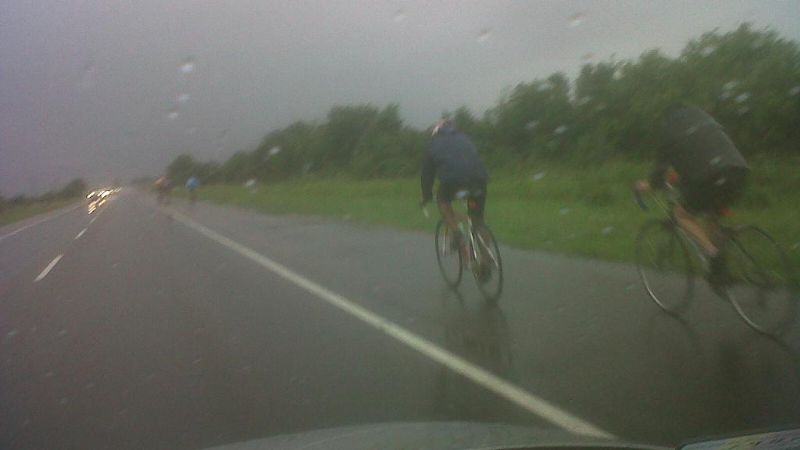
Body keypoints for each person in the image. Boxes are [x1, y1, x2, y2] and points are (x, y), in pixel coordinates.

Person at [634, 103, 749, 286]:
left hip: (711, 177)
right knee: (712, 214)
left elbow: (659, 173)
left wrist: (645, 185)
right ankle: (720, 273)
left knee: (681, 215)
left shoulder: (670, 130)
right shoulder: (702, 119)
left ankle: (713, 254)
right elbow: (695, 160)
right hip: (737, 170)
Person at [420, 119, 490, 276]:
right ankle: (486, 260)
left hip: (453, 182)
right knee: (478, 221)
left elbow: (427, 176)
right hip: (478, 180)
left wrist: (426, 196)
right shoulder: (464, 137)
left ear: (435, 132)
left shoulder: (433, 145)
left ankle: (457, 235)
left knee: (443, 201)